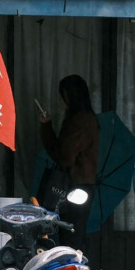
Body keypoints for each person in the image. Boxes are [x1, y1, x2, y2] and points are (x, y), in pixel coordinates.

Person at [41, 73, 100, 243]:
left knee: (69, 236)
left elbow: (64, 156)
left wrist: (46, 127)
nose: (61, 101)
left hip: (74, 187)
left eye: (63, 96)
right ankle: (70, 268)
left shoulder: (79, 120)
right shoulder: (84, 118)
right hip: (79, 186)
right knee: (71, 235)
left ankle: (70, 269)